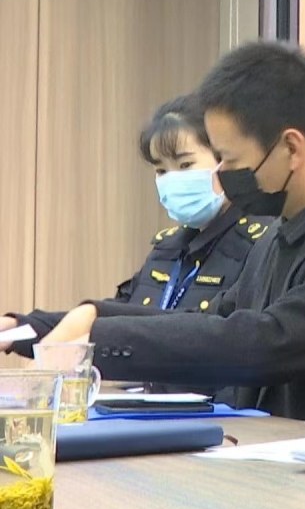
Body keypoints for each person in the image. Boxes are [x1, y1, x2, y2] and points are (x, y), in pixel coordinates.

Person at [39, 42, 305, 423]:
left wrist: (97, 338)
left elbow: (263, 343)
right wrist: (72, 320)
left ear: (291, 148)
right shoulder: (277, 236)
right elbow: (209, 318)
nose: (220, 176)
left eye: (229, 159)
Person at [0, 95, 272, 358]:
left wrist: (93, 320)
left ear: (225, 161)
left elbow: (211, 330)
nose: (172, 179)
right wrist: (19, 328)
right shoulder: (168, 248)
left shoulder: (260, 244)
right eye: (161, 171)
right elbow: (121, 314)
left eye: (185, 164)